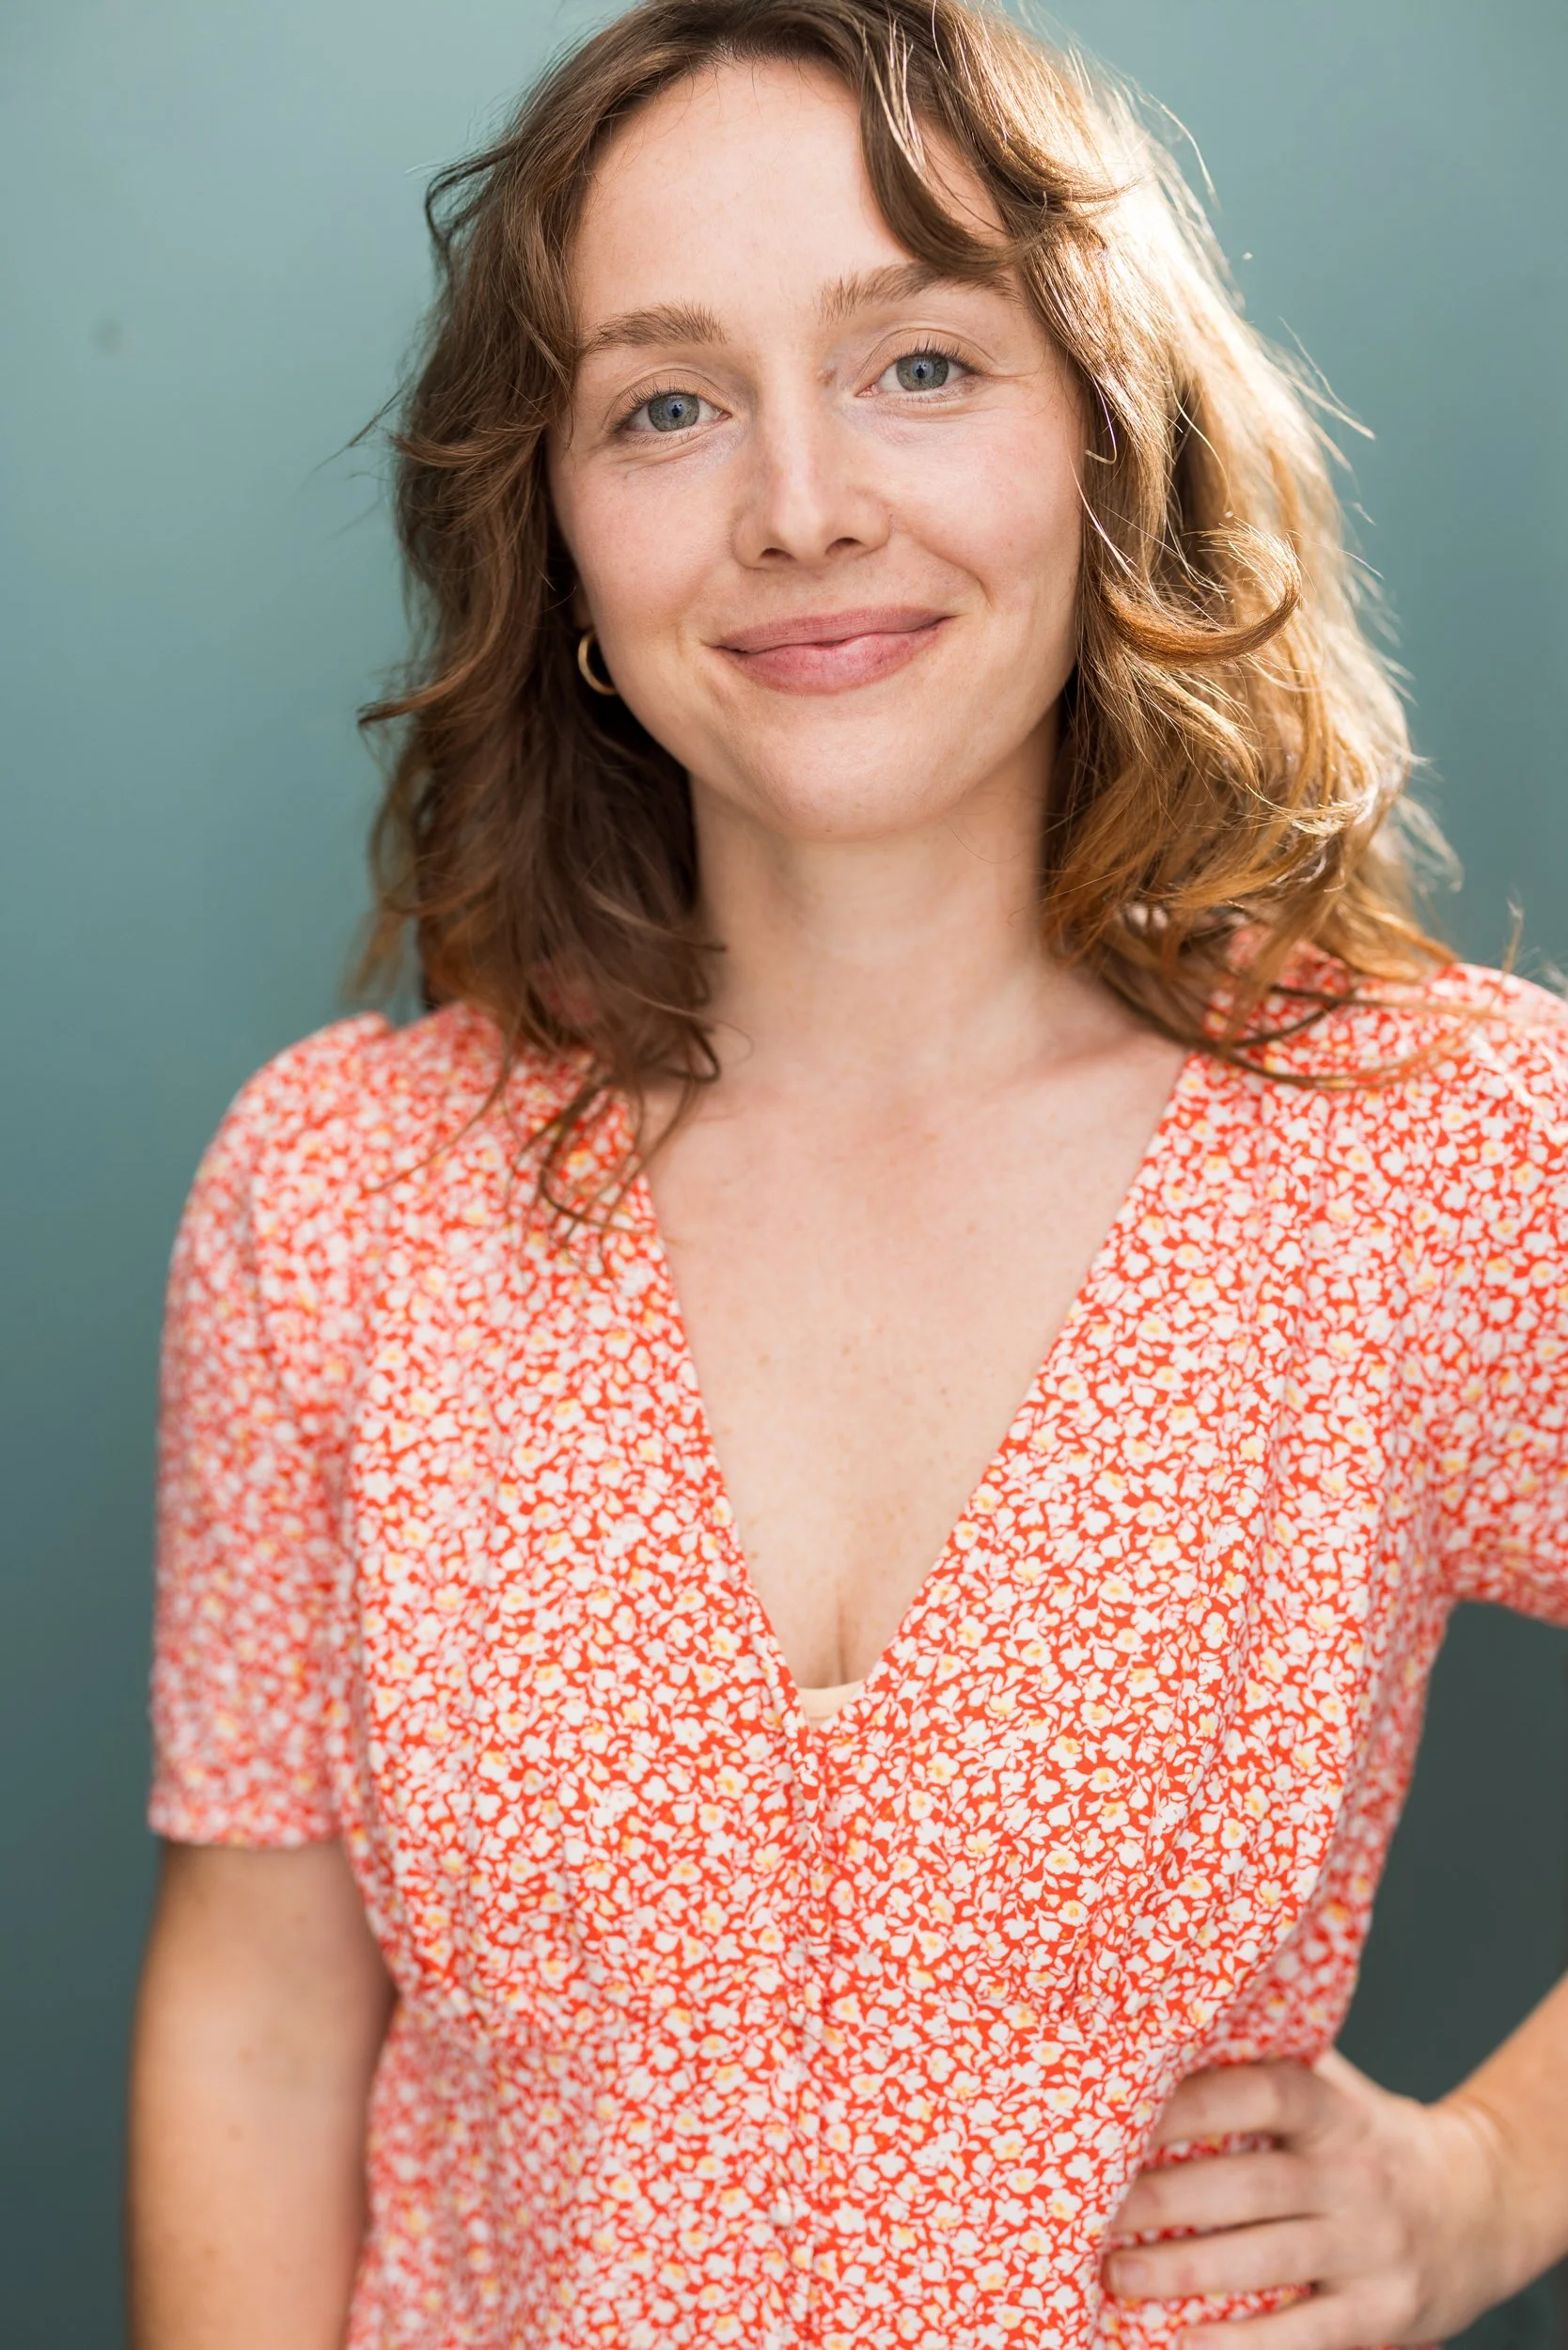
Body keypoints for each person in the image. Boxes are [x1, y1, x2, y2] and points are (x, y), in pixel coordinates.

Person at [126, 0, 1568, 2343]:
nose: (799, 501)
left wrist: (1488, 2180)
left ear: (1110, 430)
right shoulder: (337, 1201)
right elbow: (265, 2020)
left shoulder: (1426, 1160)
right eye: (669, 401)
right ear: (558, 519)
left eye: (920, 361)